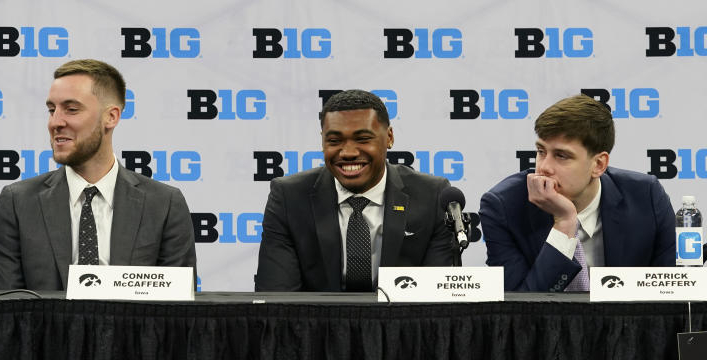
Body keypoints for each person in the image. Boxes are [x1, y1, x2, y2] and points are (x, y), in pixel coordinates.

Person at [0, 59, 196, 290]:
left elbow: (177, 311)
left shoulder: (164, 205)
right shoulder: (17, 202)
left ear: (111, 117)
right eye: (52, 110)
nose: (55, 122)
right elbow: (2, 311)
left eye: (71, 109)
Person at [255, 89, 454, 292]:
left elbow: (438, 300)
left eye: (363, 139)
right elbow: (277, 299)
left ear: (389, 137)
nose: (348, 152)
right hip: (317, 323)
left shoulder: (433, 196)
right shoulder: (289, 197)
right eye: (334, 141)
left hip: (403, 323)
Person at [480, 94, 675, 292]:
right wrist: (564, 224)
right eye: (541, 152)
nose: (544, 167)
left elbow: (672, 295)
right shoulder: (503, 207)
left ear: (598, 165)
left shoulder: (646, 197)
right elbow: (518, 310)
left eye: (561, 156)